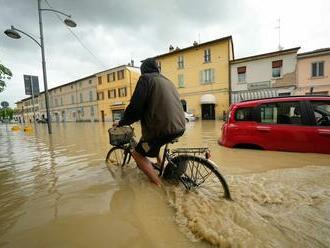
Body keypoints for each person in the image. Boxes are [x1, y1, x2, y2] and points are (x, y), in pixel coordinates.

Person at [114, 58, 186, 186]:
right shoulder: (167, 81)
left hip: (162, 128)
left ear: (143, 70)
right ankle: (160, 163)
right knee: (154, 141)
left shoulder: (145, 79)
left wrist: (122, 122)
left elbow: (135, 107)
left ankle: (159, 185)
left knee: (137, 153)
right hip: (180, 125)